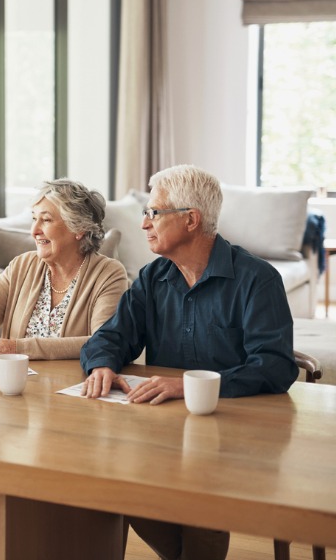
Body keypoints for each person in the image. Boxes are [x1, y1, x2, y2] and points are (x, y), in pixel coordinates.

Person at [80, 164, 298, 560]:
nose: (144, 223)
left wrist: (189, 386)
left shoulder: (257, 279)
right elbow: (111, 337)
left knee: (203, 494)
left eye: (154, 212)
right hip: (165, 431)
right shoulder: (151, 278)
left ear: (191, 220)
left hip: (238, 434)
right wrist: (102, 364)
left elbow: (275, 366)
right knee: (111, 480)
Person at [0, 179, 128, 359]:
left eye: (46, 220)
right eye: (34, 218)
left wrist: (17, 347)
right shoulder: (22, 266)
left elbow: (103, 342)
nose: (34, 231)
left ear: (78, 228)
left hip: (72, 389)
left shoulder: (108, 274)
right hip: (18, 386)